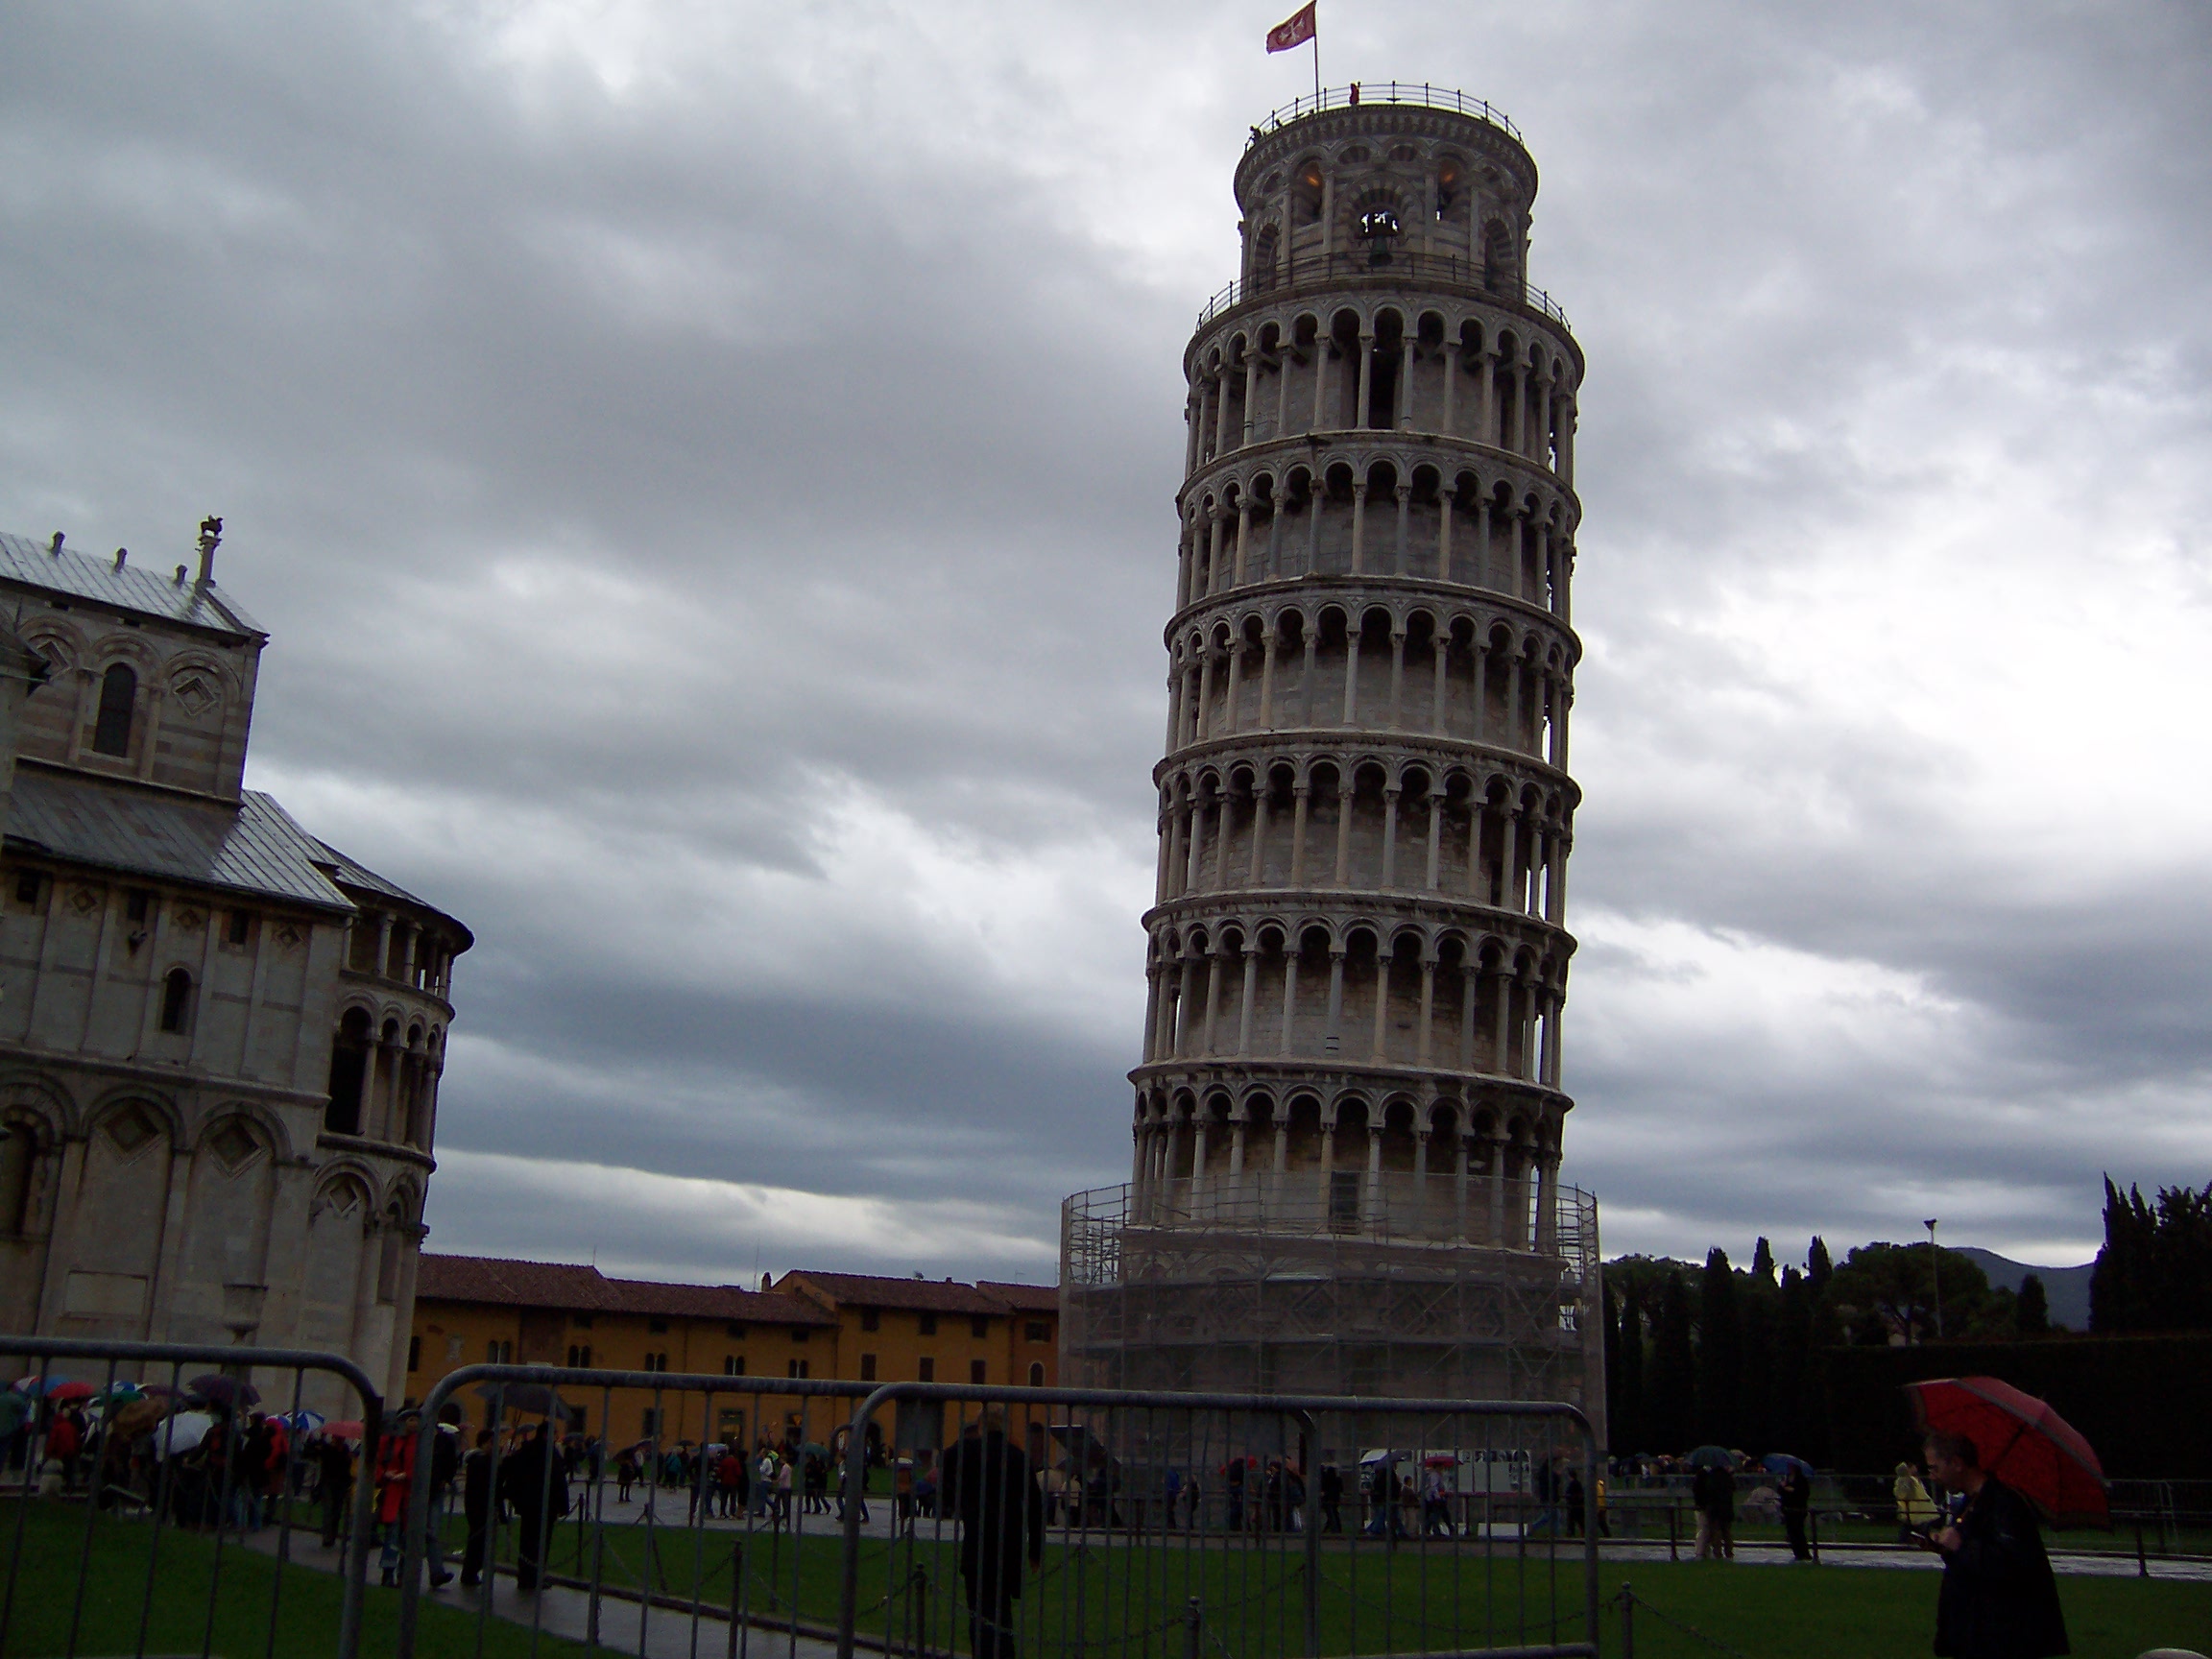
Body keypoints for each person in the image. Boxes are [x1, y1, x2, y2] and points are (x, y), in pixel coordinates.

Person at [1918, 1431, 2069, 1659]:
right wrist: (1944, 1547)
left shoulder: (2004, 1504)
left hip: (2001, 1637)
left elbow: (2013, 1566)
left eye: (1934, 1468)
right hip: (1976, 1633)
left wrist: (1961, 1547)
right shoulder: (1972, 1503)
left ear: (1957, 1463)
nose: (1932, 1476)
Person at [939, 1409, 1044, 1659]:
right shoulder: (1018, 1457)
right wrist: (1035, 1551)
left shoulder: (968, 1449)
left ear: (980, 1426)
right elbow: (1035, 1507)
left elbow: (944, 1463)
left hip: (977, 1539)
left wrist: (957, 1500)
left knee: (978, 1610)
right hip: (1009, 1543)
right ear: (1005, 1427)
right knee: (1002, 1611)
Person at [501, 1423, 571, 1591]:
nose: (556, 1437)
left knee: (527, 1542)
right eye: (554, 1433)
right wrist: (563, 1505)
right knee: (541, 1543)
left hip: (528, 1505)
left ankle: (525, 1577)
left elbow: (511, 1470)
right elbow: (558, 1480)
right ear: (546, 1434)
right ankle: (534, 1577)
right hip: (545, 1505)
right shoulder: (549, 1453)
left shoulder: (526, 1450)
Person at [373, 1409, 420, 1588]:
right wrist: (385, 1474)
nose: (413, 1423)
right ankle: (388, 1573)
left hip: (411, 1495)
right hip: (392, 1493)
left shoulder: (420, 1443)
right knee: (392, 1535)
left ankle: (404, 1575)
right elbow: (376, 1462)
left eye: (416, 1420)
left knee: (408, 1537)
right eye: (410, 1419)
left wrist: (408, 1475)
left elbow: (423, 1466)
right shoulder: (389, 1441)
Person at [460, 1430, 494, 1589]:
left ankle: (470, 1571)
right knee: (477, 1542)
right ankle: (470, 1572)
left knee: (476, 1540)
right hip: (479, 1507)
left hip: (475, 1505)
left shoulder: (477, 1459)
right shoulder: (482, 1461)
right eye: (491, 1443)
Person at [318, 1431, 354, 1549]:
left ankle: (332, 1534)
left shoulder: (346, 1450)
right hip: (328, 1482)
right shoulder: (328, 1449)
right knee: (328, 1510)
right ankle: (327, 1536)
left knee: (337, 1511)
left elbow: (347, 1467)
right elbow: (323, 1461)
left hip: (341, 1484)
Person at [1777, 1460, 1814, 1562]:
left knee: (1799, 1532)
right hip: (1788, 1509)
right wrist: (1783, 1487)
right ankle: (1797, 1553)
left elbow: (1804, 1493)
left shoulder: (1801, 1479)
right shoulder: (1786, 1478)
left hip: (1798, 1509)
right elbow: (1780, 1491)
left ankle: (1804, 1553)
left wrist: (1792, 1490)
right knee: (1791, 1532)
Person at [1895, 1459, 1939, 1542]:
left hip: (1918, 1512)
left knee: (1917, 1530)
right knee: (1916, 1530)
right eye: (1912, 1467)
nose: (1915, 1468)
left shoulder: (1914, 1480)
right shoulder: (1908, 1480)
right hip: (1914, 1512)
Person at [1318, 1463, 1344, 1533]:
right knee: (1334, 1514)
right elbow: (1341, 1489)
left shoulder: (1326, 1478)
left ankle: (1334, 1530)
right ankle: (1336, 1529)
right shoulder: (1337, 1479)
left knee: (1331, 1515)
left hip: (1328, 1498)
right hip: (1335, 1499)